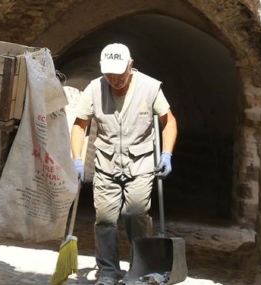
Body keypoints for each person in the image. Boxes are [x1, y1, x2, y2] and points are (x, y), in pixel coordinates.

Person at [70, 43, 177, 285]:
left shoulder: (150, 88)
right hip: (106, 164)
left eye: (119, 73)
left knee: (135, 214)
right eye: (109, 74)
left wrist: (167, 154)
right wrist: (76, 159)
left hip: (140, 164)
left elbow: (168, 122)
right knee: (105, 219)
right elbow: (80, 125)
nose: (115, 79)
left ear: (130, 65)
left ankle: (140, 267)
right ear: (101, 69)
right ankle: (108, 271)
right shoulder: (94, 89)